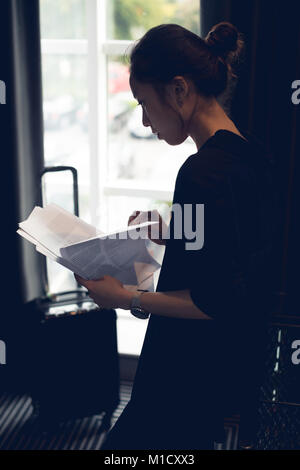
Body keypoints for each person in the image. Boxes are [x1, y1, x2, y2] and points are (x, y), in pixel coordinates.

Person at [75, 22, 278, 450]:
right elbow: (234, 241)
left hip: (183, 371)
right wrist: (172, 228)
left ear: (179, 90)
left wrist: (123, 297)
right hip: (221, 368)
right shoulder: (249, 153)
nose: (146, 121)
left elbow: (215, 300)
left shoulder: (202, 171)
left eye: (145, 104)